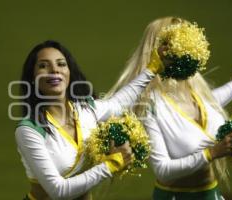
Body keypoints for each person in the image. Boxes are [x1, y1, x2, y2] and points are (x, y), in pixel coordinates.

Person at [106, 17, 232, 199]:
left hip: (212, 194)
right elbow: (163, 169)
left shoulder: (194, 91)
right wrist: (212, 153)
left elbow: (209, 106)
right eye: (179, 41)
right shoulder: (149, 105)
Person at [15, 40, 162, 200]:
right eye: (44, 66)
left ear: (69, 72)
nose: (54, 70)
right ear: (32, 77)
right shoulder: (29, 130)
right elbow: (58, 191)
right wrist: (112, 164)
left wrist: (153, 68)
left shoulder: (85, 110)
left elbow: (119, 103)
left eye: (61, 64)